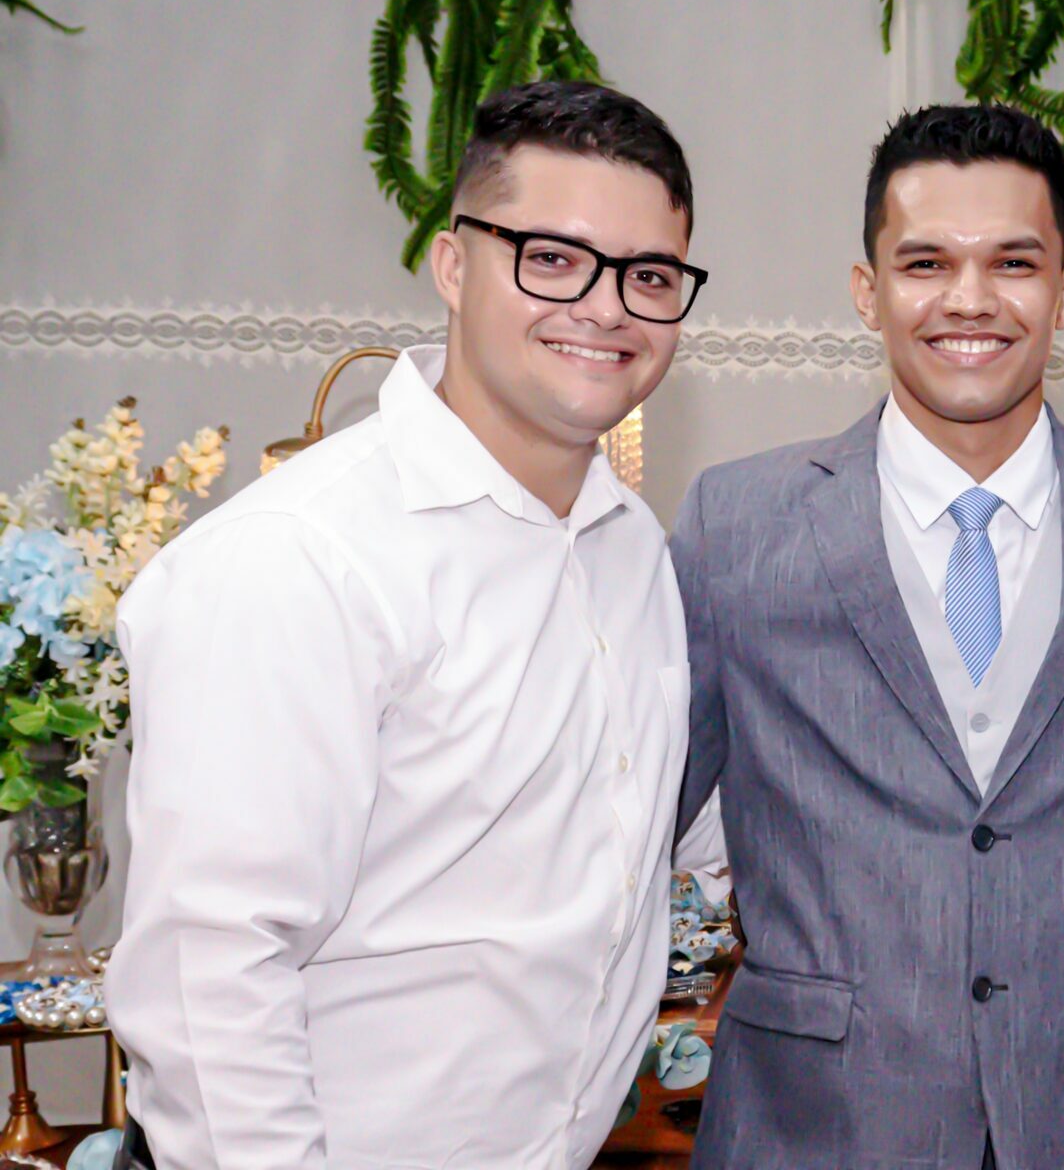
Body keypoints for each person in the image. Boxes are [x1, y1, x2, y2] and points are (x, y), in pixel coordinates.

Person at [108, 80, 719, 1169]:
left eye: (649, 275)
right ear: (453, 265)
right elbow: (212, 976)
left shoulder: (631, 546)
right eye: (552, 257)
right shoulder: (300, 555)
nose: (605, 306)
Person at [671, 103, 1064, 1169]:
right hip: (809, 1132)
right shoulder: (734, 526)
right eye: (926, 262)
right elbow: (626, 829)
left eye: (1013, 262)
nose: (970, 299)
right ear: (869, 290)